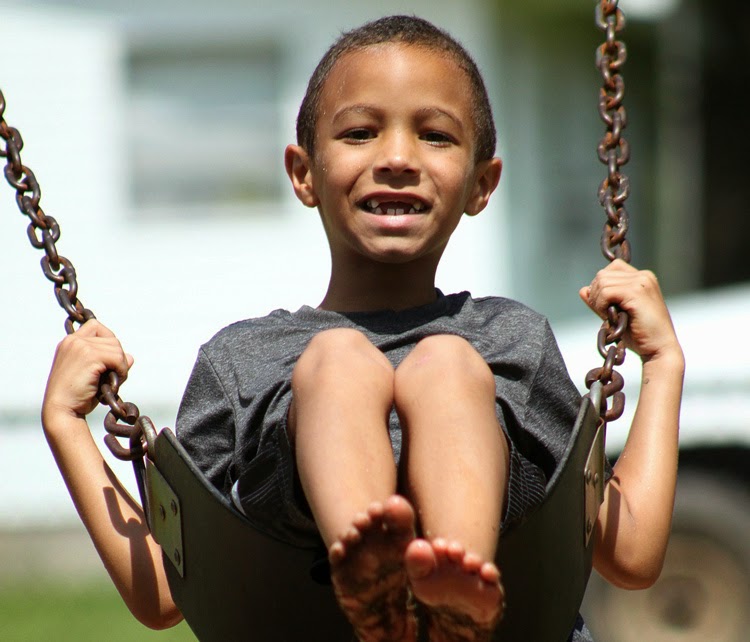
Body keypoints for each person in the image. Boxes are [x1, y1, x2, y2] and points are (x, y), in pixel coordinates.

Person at [41, 15, 684, 642]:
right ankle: (369, 577)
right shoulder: (243, 359)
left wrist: (662, 365)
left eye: (435, 135)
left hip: (502, 593)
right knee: (337, 360)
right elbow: (166, 590)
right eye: (359, 134)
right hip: (302, 574)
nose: (398, 157)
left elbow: (627, 557)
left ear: (481, 184)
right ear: (303, 173)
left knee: (448, 365)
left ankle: (455, 593)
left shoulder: (513, 340)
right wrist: (69, 428)